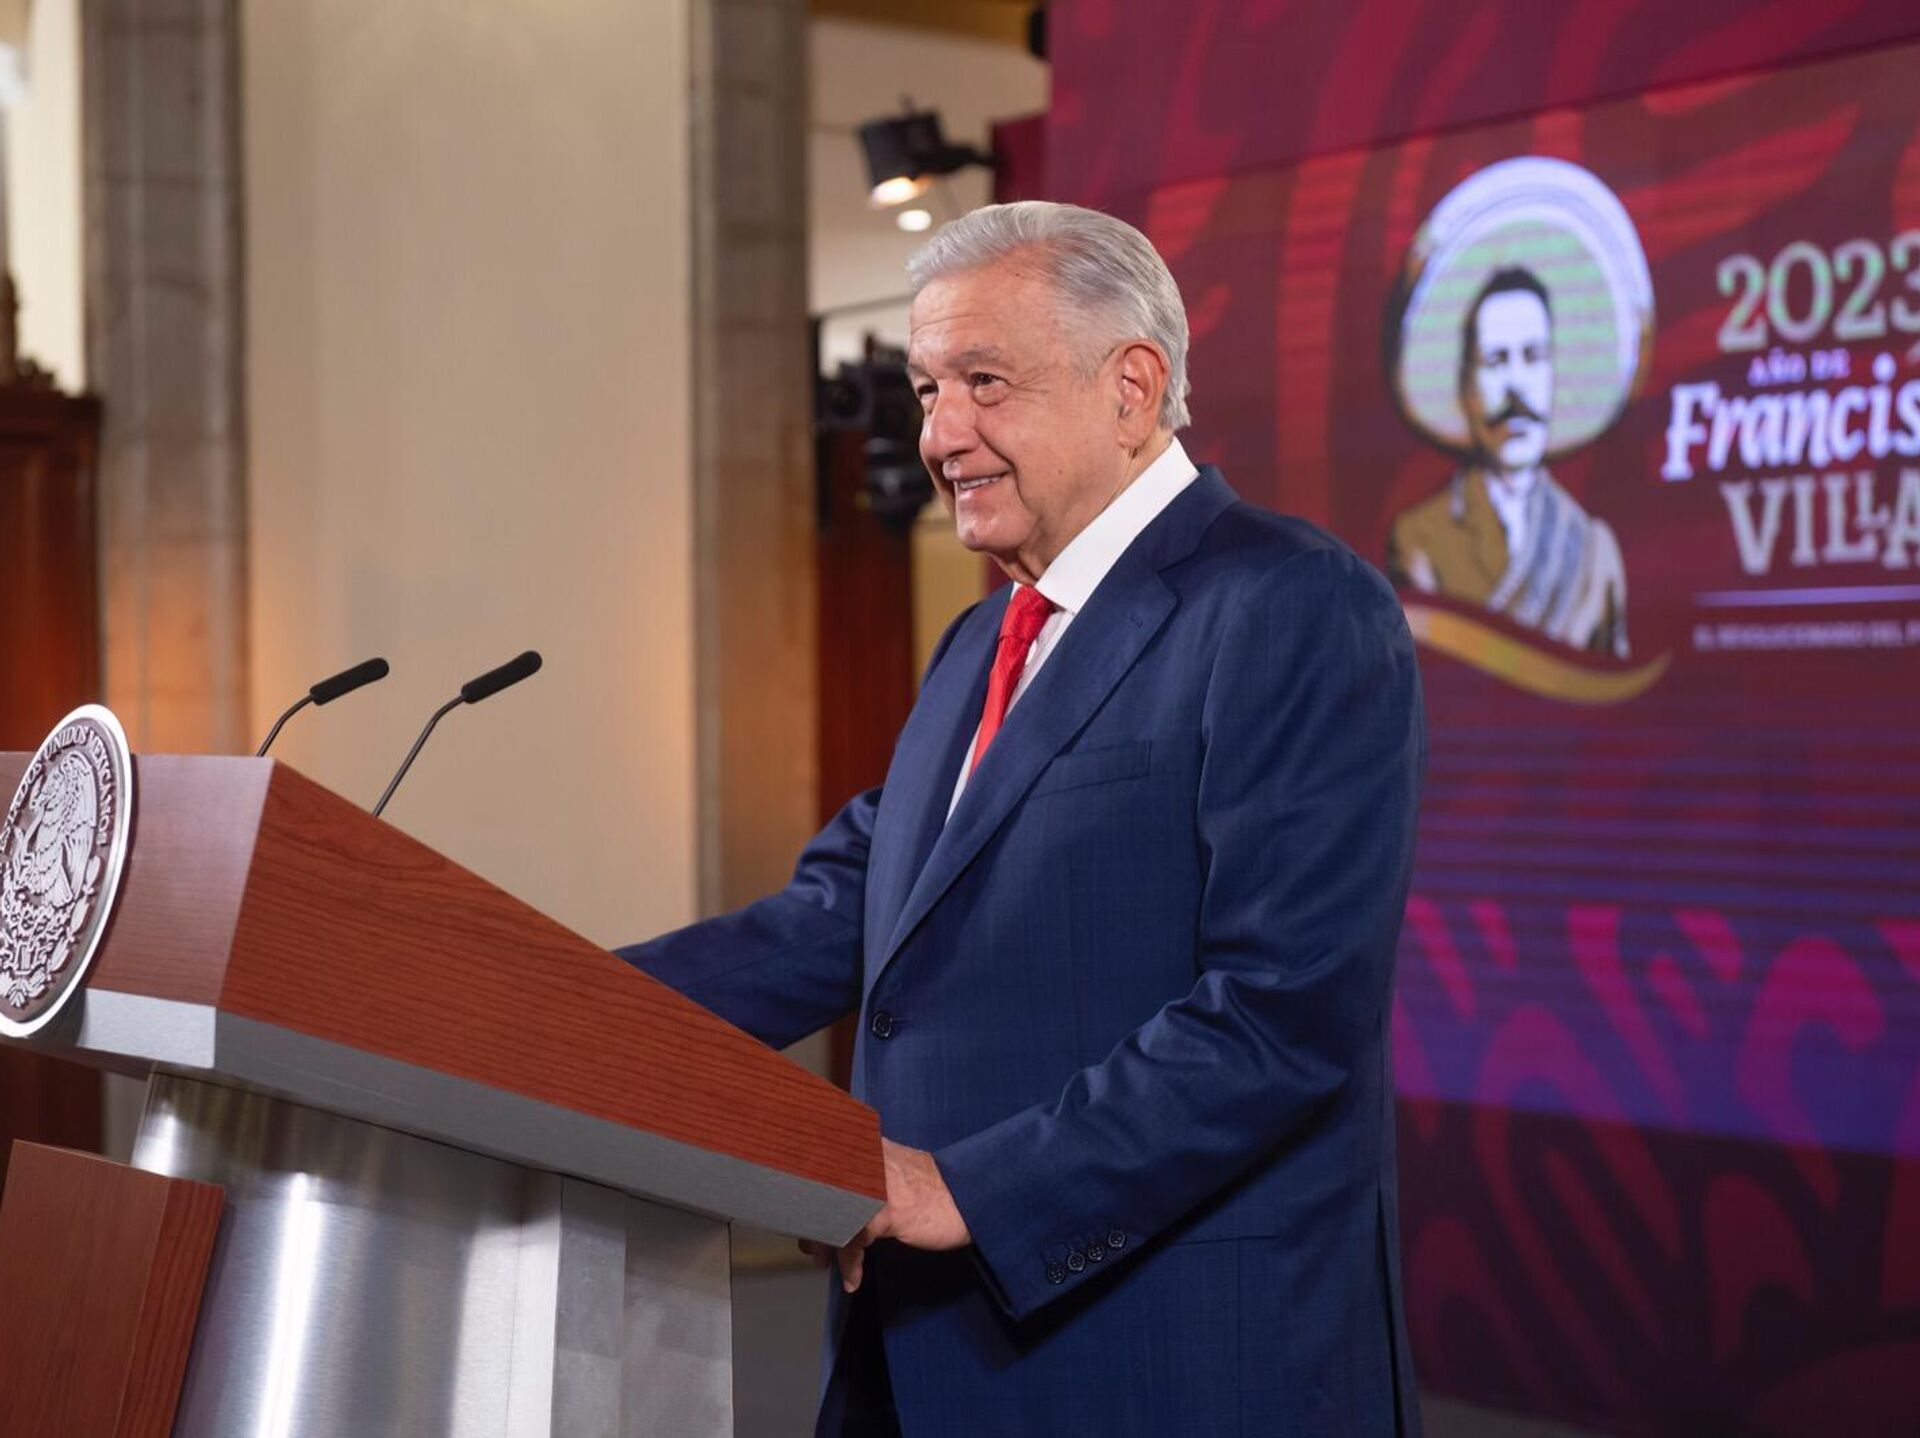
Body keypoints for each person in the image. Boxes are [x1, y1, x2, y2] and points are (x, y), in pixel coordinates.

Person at [620, 201, 1425, 1437]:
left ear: (1131, 388)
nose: (940, 434)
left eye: (983, 382)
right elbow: (848, 909)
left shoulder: (1293, 605)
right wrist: (546, 1005)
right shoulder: (977, 640)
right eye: (927, 389)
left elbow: (1284, 1012)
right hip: (918, 1346)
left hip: (1160, 1360)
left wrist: (972, 1190)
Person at [1387, 267, 1630, 658]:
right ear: (1466, 386)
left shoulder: (1593, 549)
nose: (1517, 385)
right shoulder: (1421, 539)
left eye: (1533, 357)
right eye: (1496, 361)